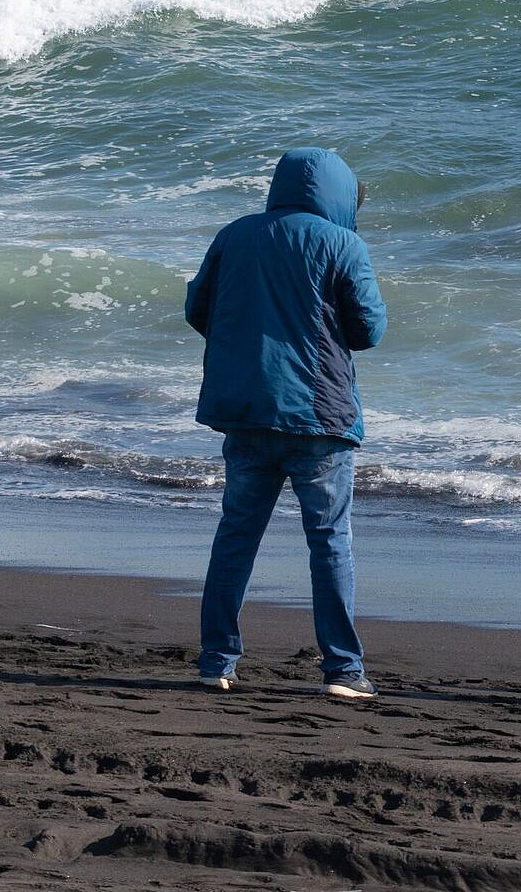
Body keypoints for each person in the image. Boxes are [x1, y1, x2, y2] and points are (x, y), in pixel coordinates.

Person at [185, 147, 387, 699]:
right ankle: (343, 671)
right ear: (341, 196)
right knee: (328, 542)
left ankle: (216, 661)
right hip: (320, 418)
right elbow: (368, 328)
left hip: (248, 412)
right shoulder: (344, 243)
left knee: (236, 537)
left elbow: (197, 309)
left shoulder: (235, 235)